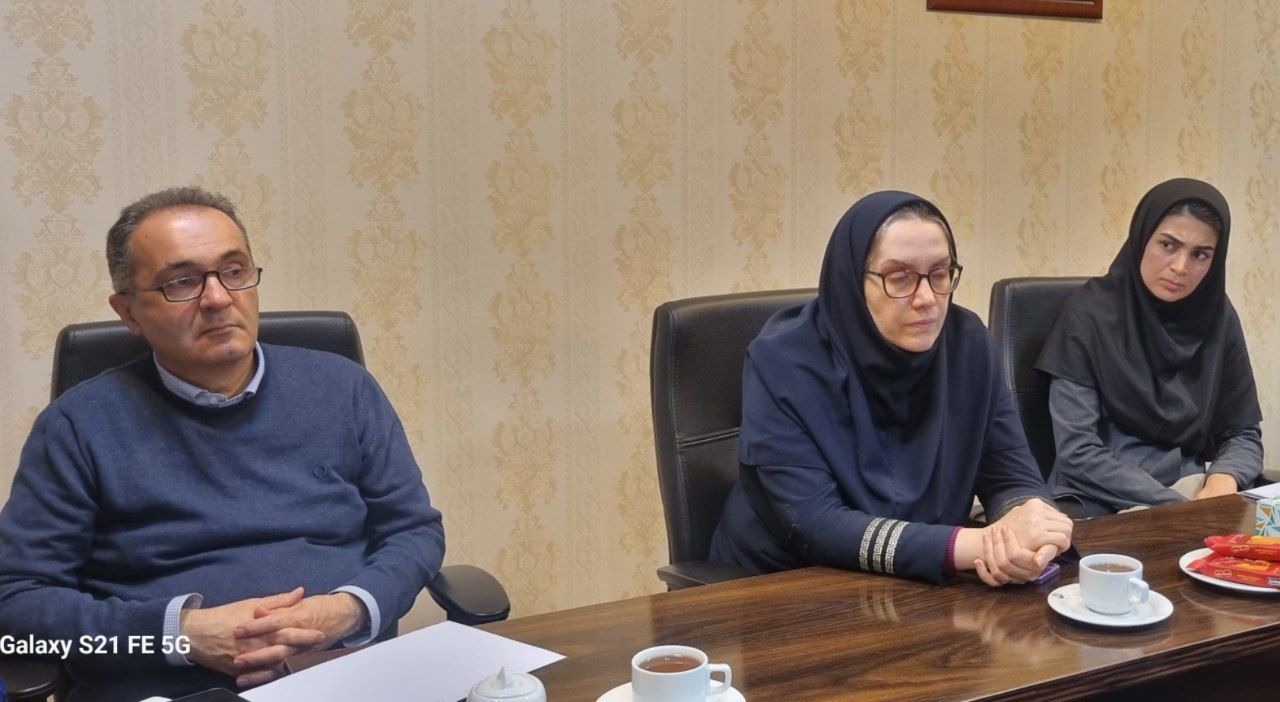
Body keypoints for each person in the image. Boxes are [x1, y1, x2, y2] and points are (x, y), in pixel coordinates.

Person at [0, 187, 446, 702]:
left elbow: (414, 531)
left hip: (342, 676)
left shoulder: (344, 389)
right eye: (181, 282)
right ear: (128, 312)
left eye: (234, 271)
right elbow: (16, 606)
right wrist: (179, 635)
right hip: (169, 690)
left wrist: (348, 610)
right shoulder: (76, 426)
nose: (217, 298)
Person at [710, 191, 1072, 586]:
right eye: (900, 278)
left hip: (921, 585)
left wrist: (1033, 531)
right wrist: (976, 546)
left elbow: (1010, 475)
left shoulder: (968, 345)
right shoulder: (783, 361)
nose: (927, 299)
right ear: (853, 281)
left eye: (940, 274)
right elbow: (814, 523)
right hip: (784, 584)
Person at [1035, 178, 1263, 518]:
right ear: (1142, 238)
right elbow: (1077, 452)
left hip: (1192, 491)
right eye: (1168, 245)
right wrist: (1177, 507)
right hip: (1097, 500)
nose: (1180, 267)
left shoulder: (1218, 316)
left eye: (1200, 254)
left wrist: (1222, 481)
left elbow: (1243, 433)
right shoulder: (1088, 314)